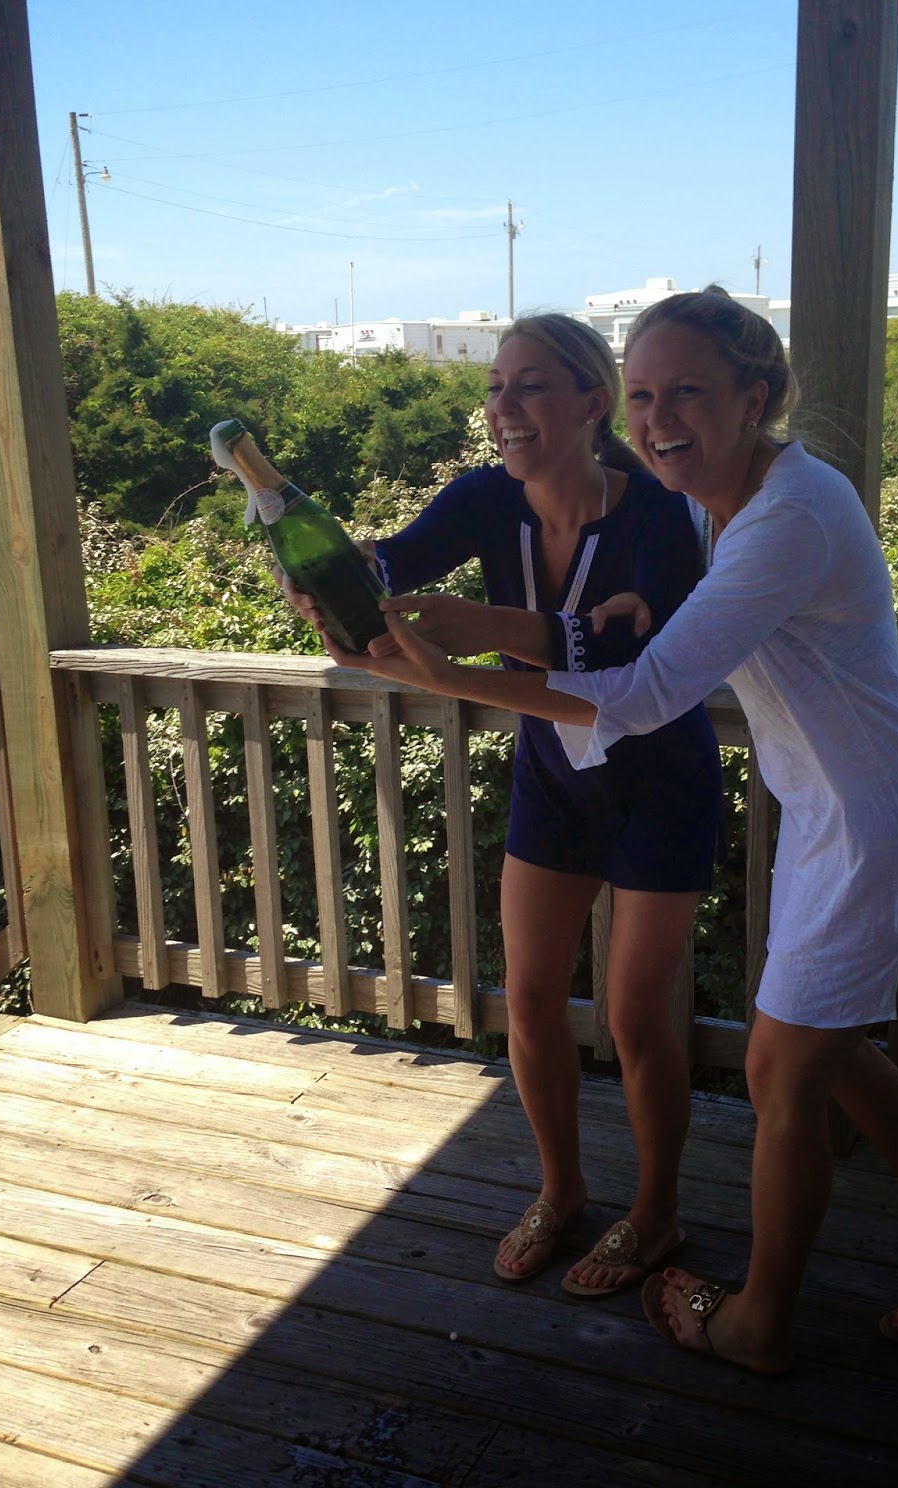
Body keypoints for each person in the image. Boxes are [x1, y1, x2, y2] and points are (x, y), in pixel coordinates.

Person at [317, 288, 898, 1373]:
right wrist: (605, 612)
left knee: (781, 1071)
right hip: (836, 809)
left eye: (686, 392)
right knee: (827, 1052)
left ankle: (758, 1321)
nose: (658, 420)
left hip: (879, 818)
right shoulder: (711, 503)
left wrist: (451, 673)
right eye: (645, 396)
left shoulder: (789, 516)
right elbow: (644, 625)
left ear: (755, 396)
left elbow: (649, 693)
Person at [286, 313, 723, 1298]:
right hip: (554, 780)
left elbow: (635, 656)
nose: (503, 407)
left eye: (529, 385)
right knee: (527, 1001)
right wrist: (328, 578)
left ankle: (656, 1215)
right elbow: (392, 565)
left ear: (592, 403)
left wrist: (485, 627)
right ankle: (561, 1191)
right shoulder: (484, 499)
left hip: (662, 783)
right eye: (494, 387)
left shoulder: (661, 514)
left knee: (635, 1015)